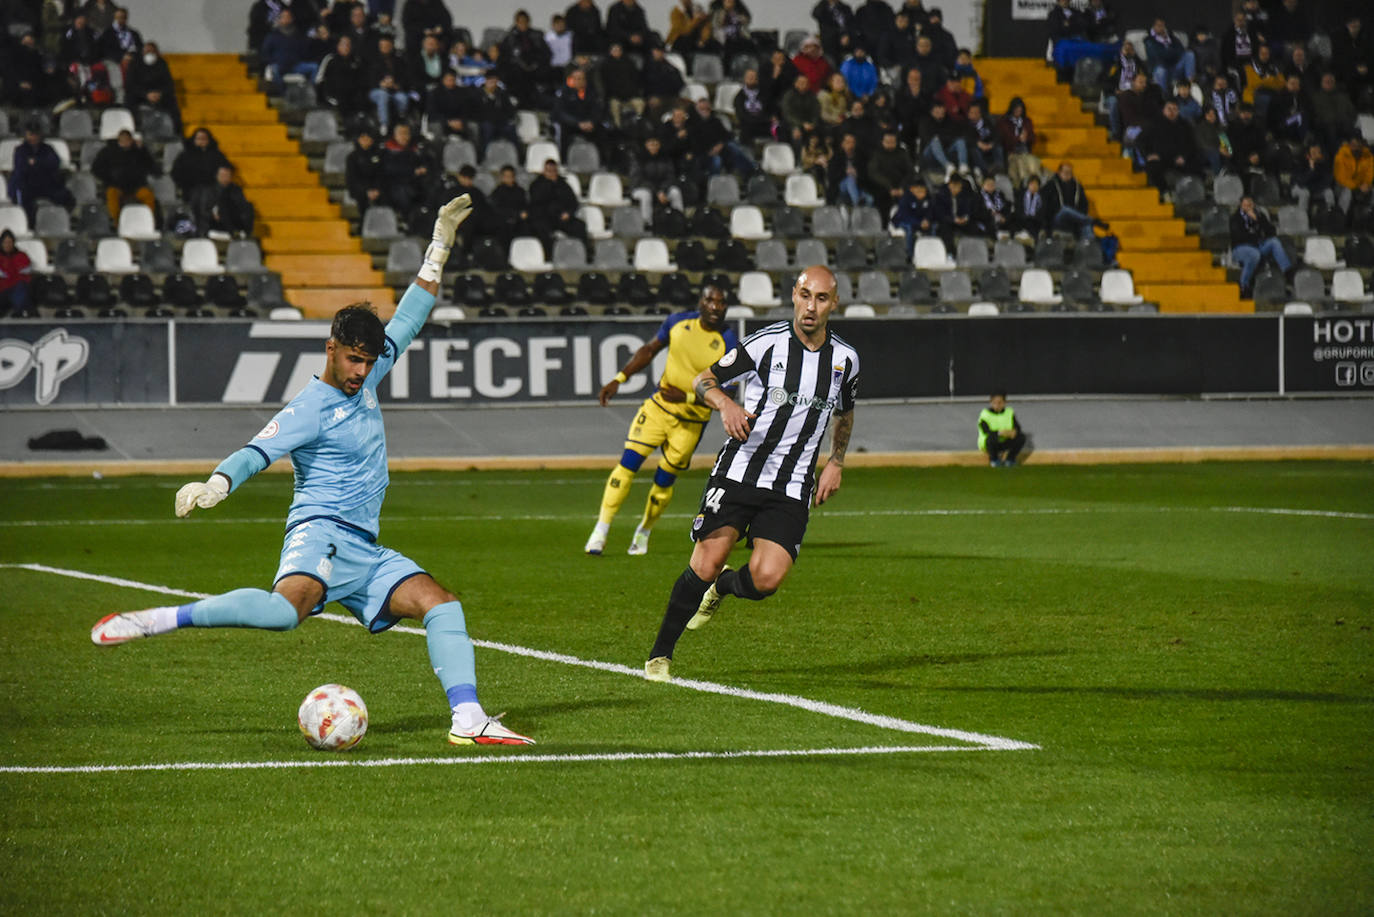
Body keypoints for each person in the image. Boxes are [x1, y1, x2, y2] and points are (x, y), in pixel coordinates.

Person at [91, 197, 534, 747]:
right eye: (353, 360)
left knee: (440, 603)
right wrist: (216, 483)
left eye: (369, 362)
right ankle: (155, 619)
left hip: (364, 547)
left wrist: (439, 245)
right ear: (331, 349)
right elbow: (258, 450)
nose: (361, 371)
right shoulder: (310, 407)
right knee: (283, 614)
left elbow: (412, 317)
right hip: (319, 531)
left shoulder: (367, 376)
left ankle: (468, 719)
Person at [643, 265, 859, 682]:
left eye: (820, 298)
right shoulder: (765, 344)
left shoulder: (845, 360)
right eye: (804, 295)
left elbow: (845, 411)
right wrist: (726, 405)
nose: (810, 306)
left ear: (834, 304)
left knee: (767, 579)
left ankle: (723, 588)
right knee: (706, 561)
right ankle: (660, 655)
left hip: (792, 482)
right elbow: (703, 379)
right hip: (740, 471)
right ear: (794, 296)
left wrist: (836, 461)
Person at [585, 285, 738, 557]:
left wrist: (688, 398)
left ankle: (643, 533)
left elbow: (727, 395)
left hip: (691, 422)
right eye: (710, 300)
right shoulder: (678, 323)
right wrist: (619, 379)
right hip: (658, 409)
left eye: (721, 302)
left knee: (664, 480)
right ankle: (601, 530)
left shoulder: (728, 341)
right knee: (628, 464)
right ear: (700, 302)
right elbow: (649, 349)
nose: (716, 306)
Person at [8, 124, 75, 226]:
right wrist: (41, 165)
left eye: (36, 135)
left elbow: (54, 162)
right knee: (23, 201)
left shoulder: (47, 148)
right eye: (31, 135)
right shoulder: (20, 150)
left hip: (46, 184)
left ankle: (61, 222)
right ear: (26, 135)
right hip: (27, 185)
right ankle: (30, 226)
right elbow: (22, 167)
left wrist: (36, 162)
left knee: (67, 197)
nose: (33, 138)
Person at [1229, 195, 1291, 299]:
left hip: (1257, 245)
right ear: (1241, 205)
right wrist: (1255, 234)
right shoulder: (1235, 218)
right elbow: (1239, 237)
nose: (1248, 207)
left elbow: (1271, 231)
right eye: (1245, 205)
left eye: (1250, 204)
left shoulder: (1259, 215)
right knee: (1254, 254)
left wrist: (1258, 220)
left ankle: (1287, 272)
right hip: (1240, 249)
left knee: (1274, 242)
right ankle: (1244, 285)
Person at [91, 128, 159, 220]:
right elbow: (96, 168)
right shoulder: (108, 151)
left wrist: (142, 150)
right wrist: (110, 178)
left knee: (148, 195)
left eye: (127, 139)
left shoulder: (139, 151)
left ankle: (149, 220)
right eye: (123, 139)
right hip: (116, 186)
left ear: (131, 140)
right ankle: (117, 222)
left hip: (137, 186)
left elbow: (153, 167)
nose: (125, 142)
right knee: (112, 194)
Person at [978, 391, 1025, 467]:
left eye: (1000, 402)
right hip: (990, 443)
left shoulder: (1009, 412)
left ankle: (1010, 460)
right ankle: (994, 460)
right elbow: (986, 430)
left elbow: (1017, 427)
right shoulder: (985, 414)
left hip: (1005, 440)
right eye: (994, 402)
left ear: (1004, 403)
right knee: (991, 438)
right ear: (991, 402)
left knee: (1021, 437)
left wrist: (1013, 432)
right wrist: (1000, 433)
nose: (997, 405)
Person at [0, 229, 34, 317]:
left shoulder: (21, 256)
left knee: (20, 290)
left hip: (17, 288)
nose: (7, 245)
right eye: (5, 242)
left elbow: (26, 273)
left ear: (13, 243)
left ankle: (20, 315)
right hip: (2, 289)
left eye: (10, 242)